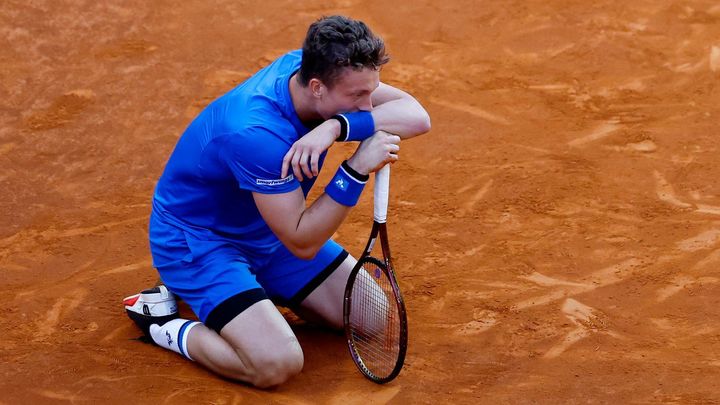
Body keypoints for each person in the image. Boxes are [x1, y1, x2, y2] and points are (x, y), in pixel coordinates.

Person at [123, 15, 430, 388]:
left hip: (267, 228)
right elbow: (302, 241)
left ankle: (247, 295)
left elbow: (416, 117)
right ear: (317, 87)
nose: (368, 107)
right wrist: (355, 169)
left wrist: (337, 126)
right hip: (200, 244)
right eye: (356, 98)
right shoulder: (257, 135)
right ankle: (164, 325)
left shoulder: (310, 71)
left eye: (372, 92)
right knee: (276, 363)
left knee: (373, 317)